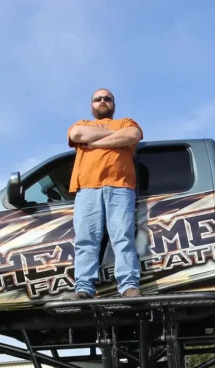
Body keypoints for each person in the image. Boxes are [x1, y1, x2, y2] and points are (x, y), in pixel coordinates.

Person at [67, 88, 144, 298]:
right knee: (86, 239)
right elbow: (76, 134)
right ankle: (83, 288)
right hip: (87, 188)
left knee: (123, 237)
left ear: (113, 104)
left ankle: (128, 286)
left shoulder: (126, 122)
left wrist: (94, 143)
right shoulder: (83, 124)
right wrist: (116, 138)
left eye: (107, 98)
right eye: (97, 99)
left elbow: (133, 135)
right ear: (91, 105)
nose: (102, 101)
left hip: (120, 186)